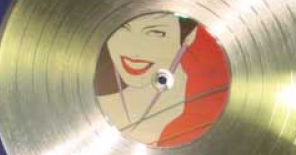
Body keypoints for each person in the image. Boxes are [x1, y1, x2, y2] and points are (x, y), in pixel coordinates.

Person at [95, 12, 230, 147]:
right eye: (124, 29)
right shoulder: (104, 99)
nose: (134, 52)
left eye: (156, 33)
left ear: (189, 36)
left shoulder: (206, 96)